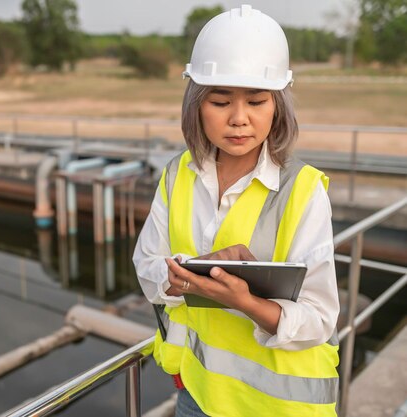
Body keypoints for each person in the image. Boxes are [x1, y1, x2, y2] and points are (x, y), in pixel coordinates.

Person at [132, 5, 340, 417]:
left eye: (257, 101)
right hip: (197, 393)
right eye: (221, 101)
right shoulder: (177, 175)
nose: (239, 119)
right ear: (196, 105)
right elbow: (147, 270)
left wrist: (244, 301)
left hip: (281, 408)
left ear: (277, 105)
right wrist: (192, 272)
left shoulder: (303, 191)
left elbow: (320, 318)